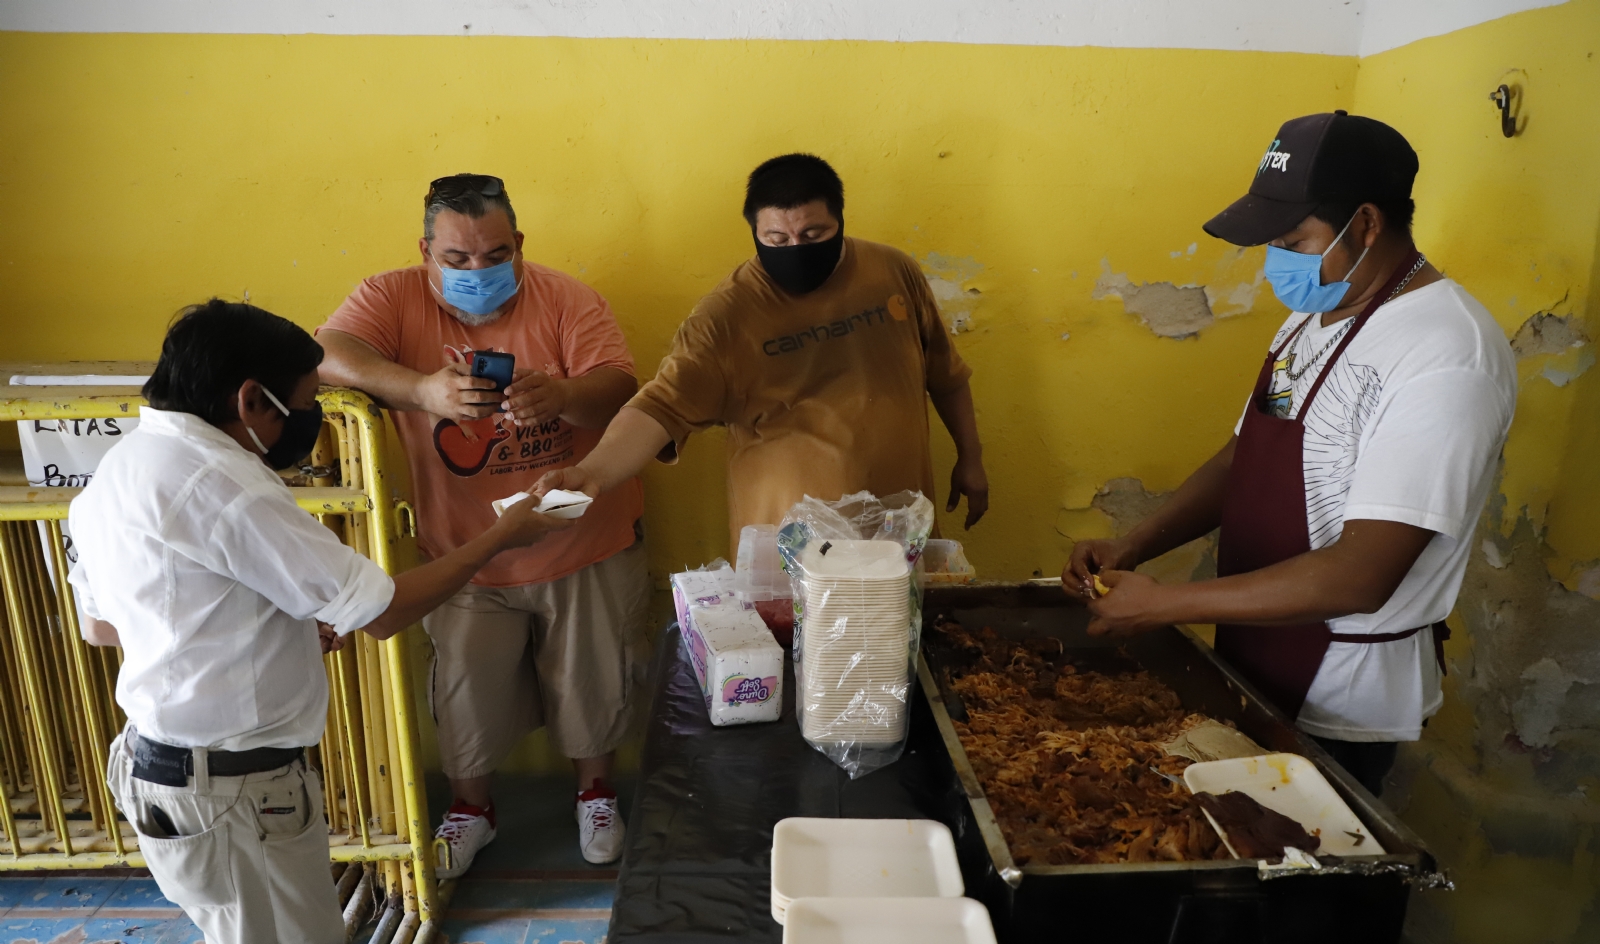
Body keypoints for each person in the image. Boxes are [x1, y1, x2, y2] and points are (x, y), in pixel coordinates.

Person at [71, 300, 570, 944]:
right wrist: (505, 533)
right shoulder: (222, 484)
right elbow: (383, 610)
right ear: (249, 401)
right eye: (302, 405)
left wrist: (264, 632)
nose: (308, 423)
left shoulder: (123, 468)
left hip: (163, 770)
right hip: (233, 792)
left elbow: (108, 626)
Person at [1064, 112, 1516, 797]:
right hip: (1255, 653)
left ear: (1366, 224)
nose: (1278, 260)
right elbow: (1244, 454)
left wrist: (1165, 606)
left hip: (1339, 690)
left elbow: (1361, 575)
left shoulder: (1447, 354)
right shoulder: (1313, 315)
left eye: (1292, 240)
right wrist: (1135, 546)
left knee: (1308, 874)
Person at [316, 174, 648, 870]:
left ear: (519, 244)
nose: (477, 272)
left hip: (580, 535)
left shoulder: (567, 299)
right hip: (463, 550)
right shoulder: (390, 296)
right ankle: (473, 808)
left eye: (495, 256)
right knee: (466, 689)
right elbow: (326, 354)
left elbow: (621, 390)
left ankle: (596, 794)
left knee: (595, 681)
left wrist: (560, 396)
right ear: (426, 251)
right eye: (457, 260)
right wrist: (422, 390)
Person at [533, 152, 989, 551]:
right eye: (776, 240)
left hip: (898, 528)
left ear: (840, 221)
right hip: (794, 546)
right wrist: (590, 474)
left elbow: (945, 374)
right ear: (755, 231)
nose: (795, 249)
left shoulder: (891, 272)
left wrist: (970, 456)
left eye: (813, 235)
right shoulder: (726, 317)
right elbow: (659, 408)